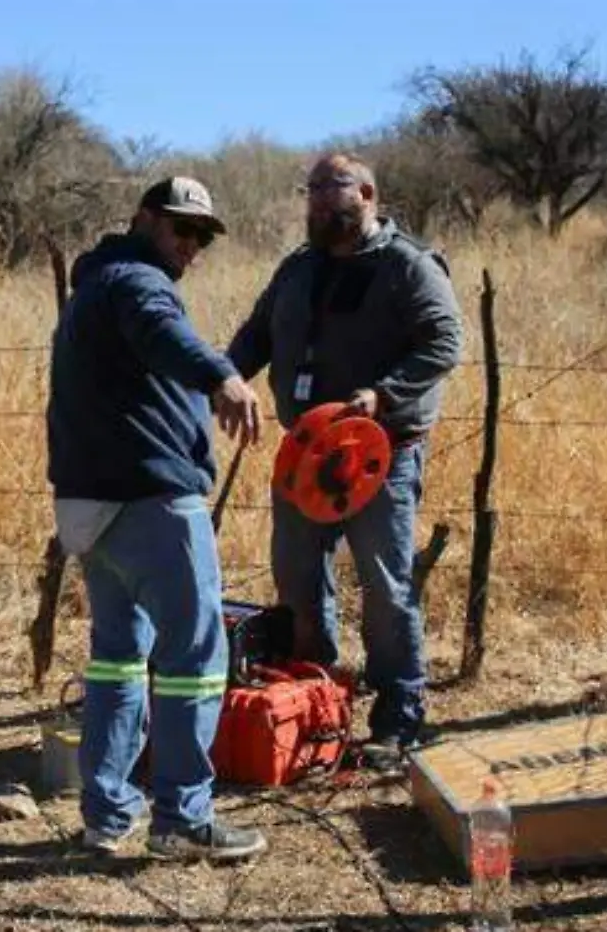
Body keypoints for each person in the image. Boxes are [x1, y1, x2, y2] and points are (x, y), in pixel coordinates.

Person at [46, 175, 268, 863]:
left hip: (90, 506)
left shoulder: (95, 285)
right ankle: (182, 818)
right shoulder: (138, 283)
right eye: (181, 228)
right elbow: (163, 332)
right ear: (144, 219)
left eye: (201, 234)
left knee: (117, 658)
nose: (192, 244)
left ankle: (106, 816)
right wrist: (222, 375)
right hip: (150, 502)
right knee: (196, 659)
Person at [226, 153, 463, 765]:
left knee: (385, 588)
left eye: (334, 193)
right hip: (306, 453)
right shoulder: (297, 269)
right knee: (297, 578)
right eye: (313, 194)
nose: (321, 205)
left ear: (368, 194)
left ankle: (396, 720)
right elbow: (256, 334)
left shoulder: (407, 265)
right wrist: (225, 377)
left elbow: (444, 342)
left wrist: (383, 394)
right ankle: (316, 703)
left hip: (377, 456)